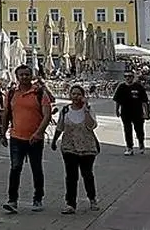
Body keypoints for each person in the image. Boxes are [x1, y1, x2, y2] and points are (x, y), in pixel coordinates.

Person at [0, 64, 53, 214]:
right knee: (15, 168)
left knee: (36, 168)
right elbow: (6, 114)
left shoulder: (40, 93)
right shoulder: (11, 93)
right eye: (21, 75)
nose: (24, 77)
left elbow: (47, 115)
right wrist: (3, 134)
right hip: (16, 137)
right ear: (17, 77)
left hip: (35, 138)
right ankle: (12, 200)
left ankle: (38, 198)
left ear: (31, 76)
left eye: (27, 74)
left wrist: (38, 132)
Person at [50, 85, 100, 214]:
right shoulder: (65, 110)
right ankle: (70, 204)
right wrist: (55, 140)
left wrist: (86, 109)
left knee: (87, 174)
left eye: (79, 94)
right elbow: (60, 126)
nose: (76, 97)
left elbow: (91, 126)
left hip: (87, 148)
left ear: (83, 96)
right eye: (73, 94)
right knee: (71, 176)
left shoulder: (88, 109)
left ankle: (92, 199)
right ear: (70, 95)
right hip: (69, 147)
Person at [112, 70, 149, 155]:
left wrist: (146, 113)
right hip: (125, 112)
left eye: (129, 76)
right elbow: (118, 100)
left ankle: (141, 143)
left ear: (133, 77)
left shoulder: (138, 87)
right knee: (127, 130)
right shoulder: (121, 87)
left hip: (137, 112)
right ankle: (129, 147)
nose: (127, 78)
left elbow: (144, 101)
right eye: (126, 76)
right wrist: (117, 110)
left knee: (139, 129)